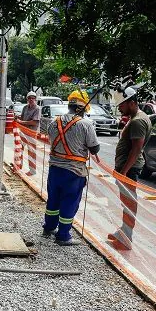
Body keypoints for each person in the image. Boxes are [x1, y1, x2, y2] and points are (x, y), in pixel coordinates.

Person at [43, 90, 100, 246]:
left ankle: (48, 227)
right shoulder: (85, 124)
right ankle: (63, 235)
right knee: (69, 202)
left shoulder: (54, 122)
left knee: (53, 199)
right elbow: (95, 149)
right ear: (80, 109)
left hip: (55, 169)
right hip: (73, 172)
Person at [109, 87, 152, 250]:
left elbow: (136, 149)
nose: (119, 108)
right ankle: (124, 231)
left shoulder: (138, 121)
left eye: (122, 104)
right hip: (127, 168)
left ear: (132, 103)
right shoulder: (135, 118)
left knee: (129, 202)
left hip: (130, 169)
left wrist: (124, 172)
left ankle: (126, 238)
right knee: (126, 201)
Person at [16, 91, 40, 175]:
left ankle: (32, 171)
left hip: (32, 133)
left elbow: (34, 122)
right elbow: (22, 117)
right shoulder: (25, 108)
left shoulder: (37, 109)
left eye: (33, 98)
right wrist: (18, 117)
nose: (31, 99)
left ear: (35, 99)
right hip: (23, 132)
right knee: (19, 149)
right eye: (29, 98)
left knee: (32, 152)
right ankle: (18, 166)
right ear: (27, 99)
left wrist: (21, 122)